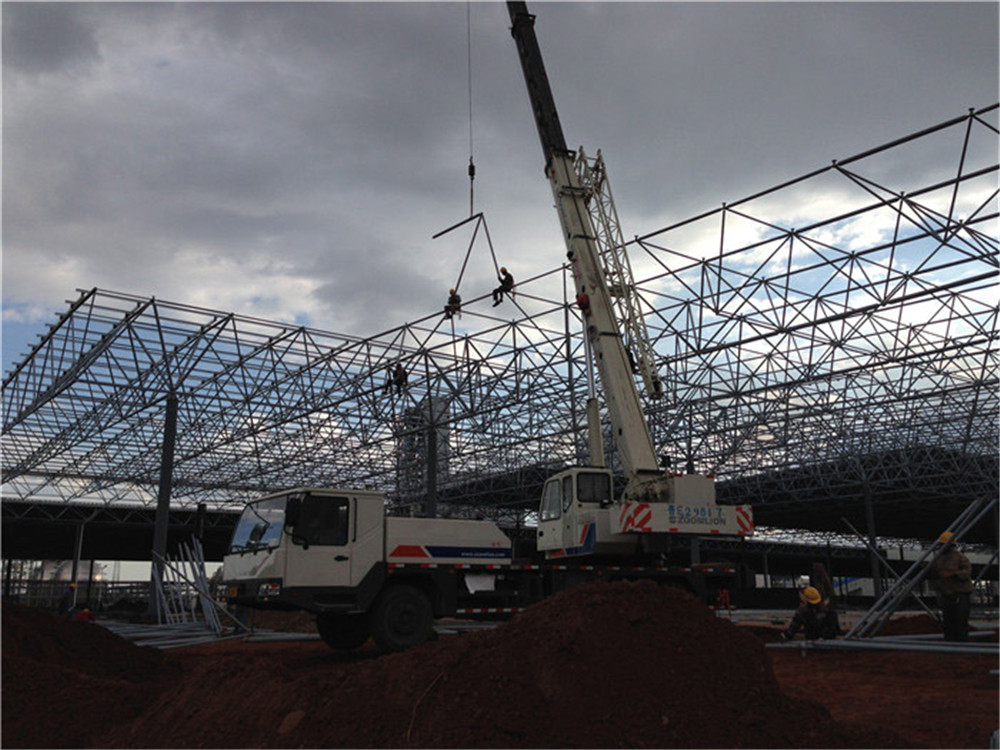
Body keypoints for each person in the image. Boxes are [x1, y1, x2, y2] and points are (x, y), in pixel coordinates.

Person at [929, 531, 973, 642]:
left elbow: (967, 572)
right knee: (948, 621)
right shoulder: (939, 558)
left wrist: (952, 574)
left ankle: (962, 643)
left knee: (960, 620)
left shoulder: (959, 557)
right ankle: (950, 642)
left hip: (960, 593)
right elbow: (935, 572)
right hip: (946, 593)